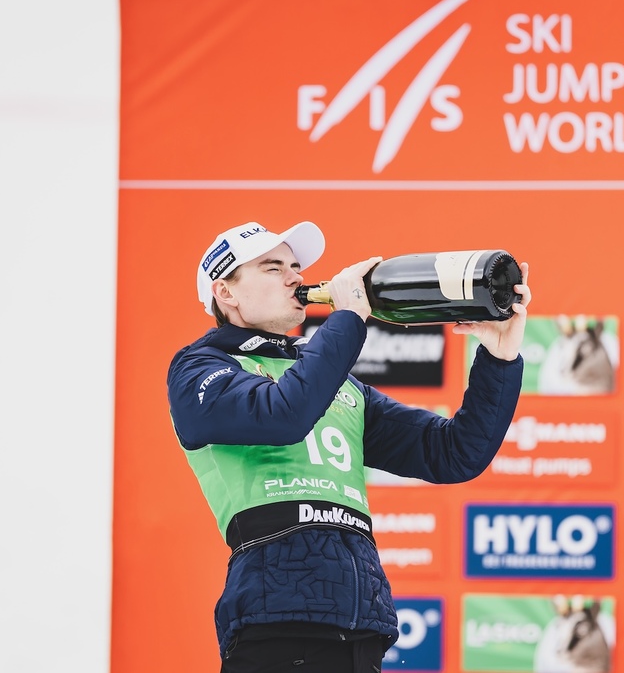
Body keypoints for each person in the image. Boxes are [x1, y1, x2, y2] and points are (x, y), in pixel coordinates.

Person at [166, 220, 531, 673]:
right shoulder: (199, 368)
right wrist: (347, 319)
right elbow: (284, 414)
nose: (295, 278)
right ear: (226, 292)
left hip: (361, 630)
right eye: (273, 268)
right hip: (276, 625)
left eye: (296, 267)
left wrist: (499, 356)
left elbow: (454, 453)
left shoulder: (335, 382)